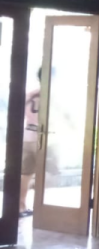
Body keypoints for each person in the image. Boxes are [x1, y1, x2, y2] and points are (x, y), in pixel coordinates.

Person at [20, 68, 40, 218]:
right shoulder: (51, 95)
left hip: (27, 135)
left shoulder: (30, 94)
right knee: (46, 174)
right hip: (43, 136)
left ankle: (21, 206)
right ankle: (44, 209)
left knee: (25, 174)